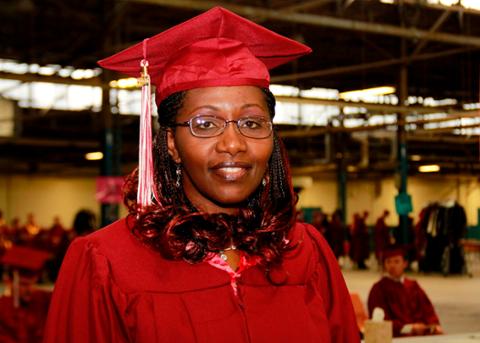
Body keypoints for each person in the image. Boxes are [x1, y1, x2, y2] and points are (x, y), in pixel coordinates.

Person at [43, 7, 359, 342]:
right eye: (205, 124)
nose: (234, 144)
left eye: (251, 122)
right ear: (172, 144)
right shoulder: (106, 262)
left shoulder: (304, 251)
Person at [367, 247, 443, 337]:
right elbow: (379, 321)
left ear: (405, 264)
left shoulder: (413, 286)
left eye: (396, 261)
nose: (392, 265)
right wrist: (409, 328)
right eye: (388, 262)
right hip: (396, 338)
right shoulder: (378, 289)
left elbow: (428, 310)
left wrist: (434, 325)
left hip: (421, 336)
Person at [0, 245, 52, 343]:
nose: (29, 289)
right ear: (8, 282)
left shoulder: (42, 299)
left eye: (33, 283)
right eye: (23, 284)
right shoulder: (2, 308)